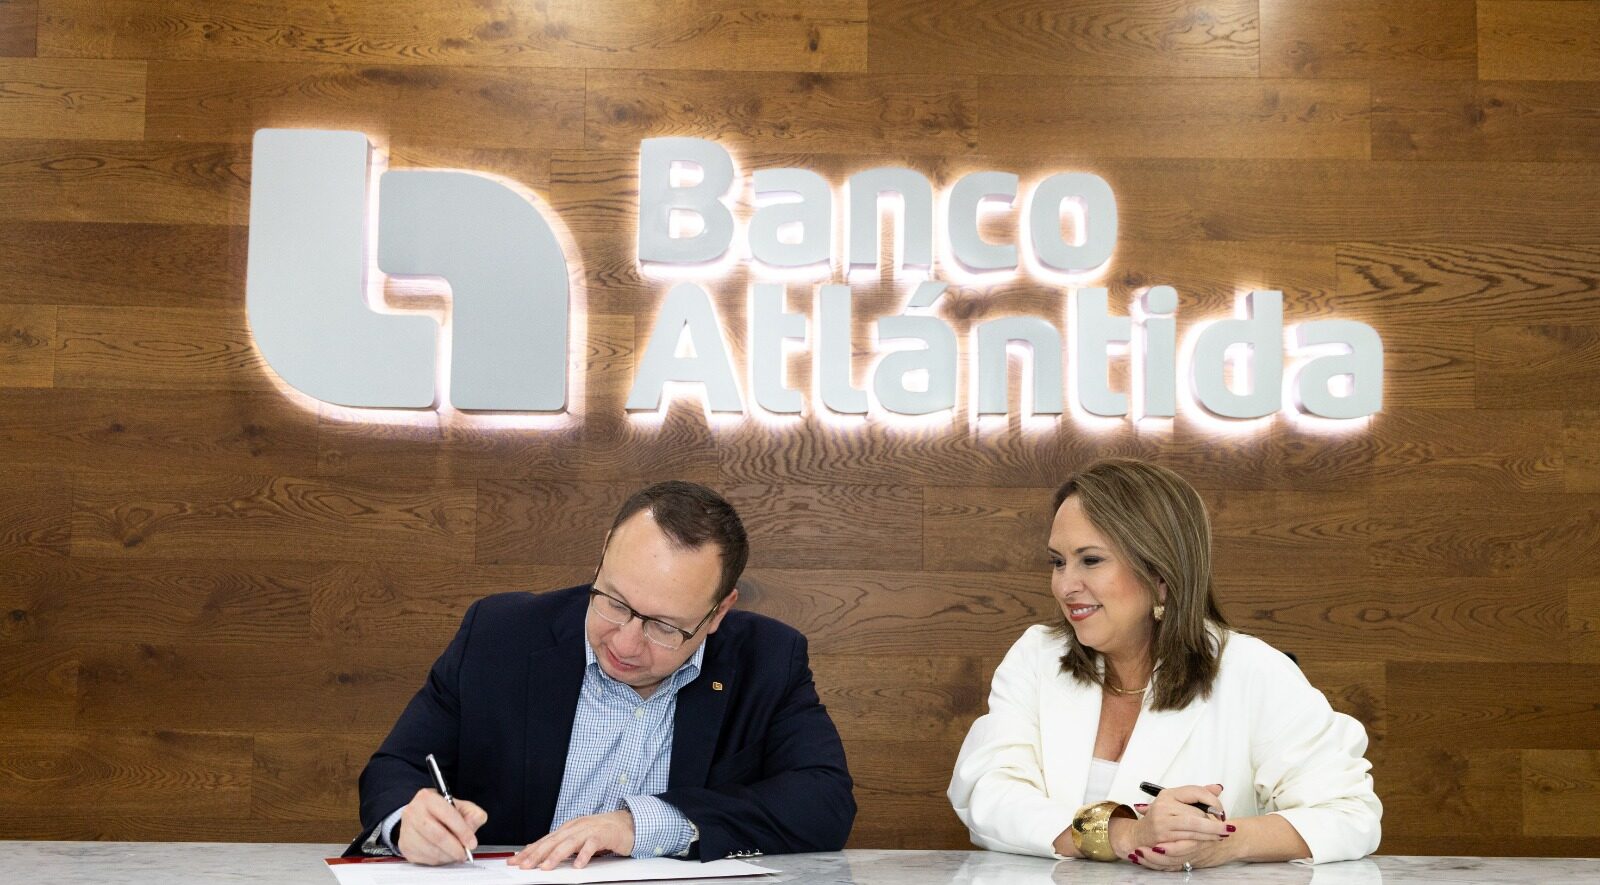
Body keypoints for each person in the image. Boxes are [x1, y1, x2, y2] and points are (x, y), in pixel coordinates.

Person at [345, 480, 855, 868]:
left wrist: (643, 824)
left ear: (718, 612)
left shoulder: (768, 660)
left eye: (664, 627)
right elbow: (395, 768)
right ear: (604, 553)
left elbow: (824, 803)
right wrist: (407, 822)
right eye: (615, 602)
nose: (625, 644)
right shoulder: (500, 635)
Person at [948, 459, 1380, 872]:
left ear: (1160, 575)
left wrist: (1221, 841)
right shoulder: (1037, 655)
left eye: (1090, 560)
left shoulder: (1253, 671)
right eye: (1058, 562)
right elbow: (989, 792)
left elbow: (1349, 814)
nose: (1065, 585)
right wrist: (1121, 834)